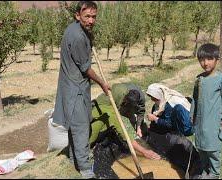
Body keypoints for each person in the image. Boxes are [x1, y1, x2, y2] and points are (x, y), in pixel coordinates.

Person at [52, 1, 110, 179]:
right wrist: (102, 83)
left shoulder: (76, 29)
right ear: (78, 15)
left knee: (76, 126)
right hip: (75, 88)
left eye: (94, 17)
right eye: (87, 17)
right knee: (81, 128)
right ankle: (85, 170)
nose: (91, 20)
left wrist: (89, 39)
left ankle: (72, 159)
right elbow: (86, 69)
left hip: (72, 85)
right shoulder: (77, 37)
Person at [191, 43, 222, 179]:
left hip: (214, 121)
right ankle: (204, 170)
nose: (205, 63)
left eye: (209, 59)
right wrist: (192, 116)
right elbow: (194, 99)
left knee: (213, 148)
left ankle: (214, 173)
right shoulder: (199, 79)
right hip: (200, 121)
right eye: (202, 59)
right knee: (201, 147)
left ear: (216, 59)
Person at [94, 82, 161, 160]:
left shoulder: (140, 99)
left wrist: (138, 126)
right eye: (127, 103)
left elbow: (141, 112)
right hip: (113, 106)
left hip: (127, 104)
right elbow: (124, 133)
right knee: (116, 127)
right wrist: (144, 152)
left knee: (137, 123)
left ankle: (144, 141)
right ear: (125, 100)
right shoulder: (116, 96)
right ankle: (110, 137)